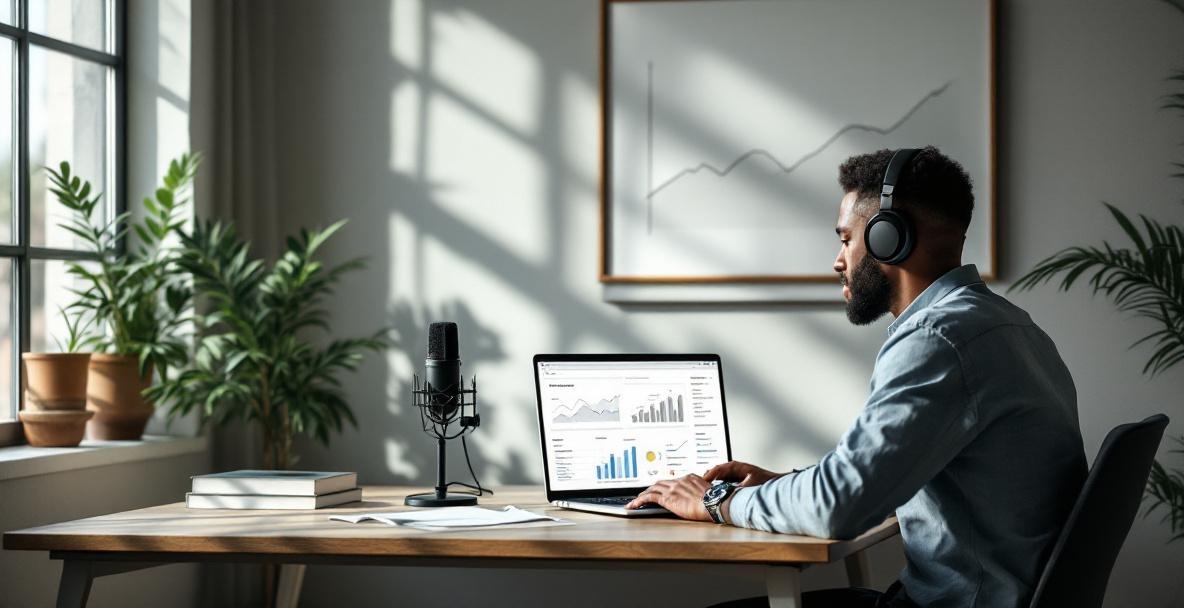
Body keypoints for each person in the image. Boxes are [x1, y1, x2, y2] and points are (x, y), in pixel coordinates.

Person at [626, 147, 1087, 607]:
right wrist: (785, 485)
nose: (838, 260)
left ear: (891, 237)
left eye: (846, 238)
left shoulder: (938, 338)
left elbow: (839, 510)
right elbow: (882, 478)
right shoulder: (1009, 326)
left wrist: (715, 501)